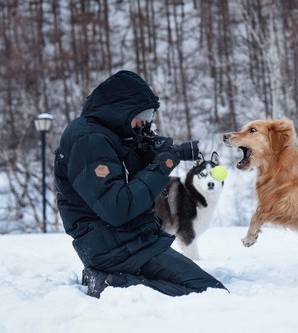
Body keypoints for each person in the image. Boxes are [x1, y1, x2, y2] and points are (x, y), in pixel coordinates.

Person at [54, 70, 227, 298]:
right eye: (142, 115)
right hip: (116, 248)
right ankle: (109, 282)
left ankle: (112, 278)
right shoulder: (89, 141)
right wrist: (162, 164)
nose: (143, 122)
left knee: (205, 288)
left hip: (130, 242)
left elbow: (128, 178)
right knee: (210, 292)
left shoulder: (109, 135)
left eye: (149, 116)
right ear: (120, 110)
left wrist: (151, 150)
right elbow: (117, 208)